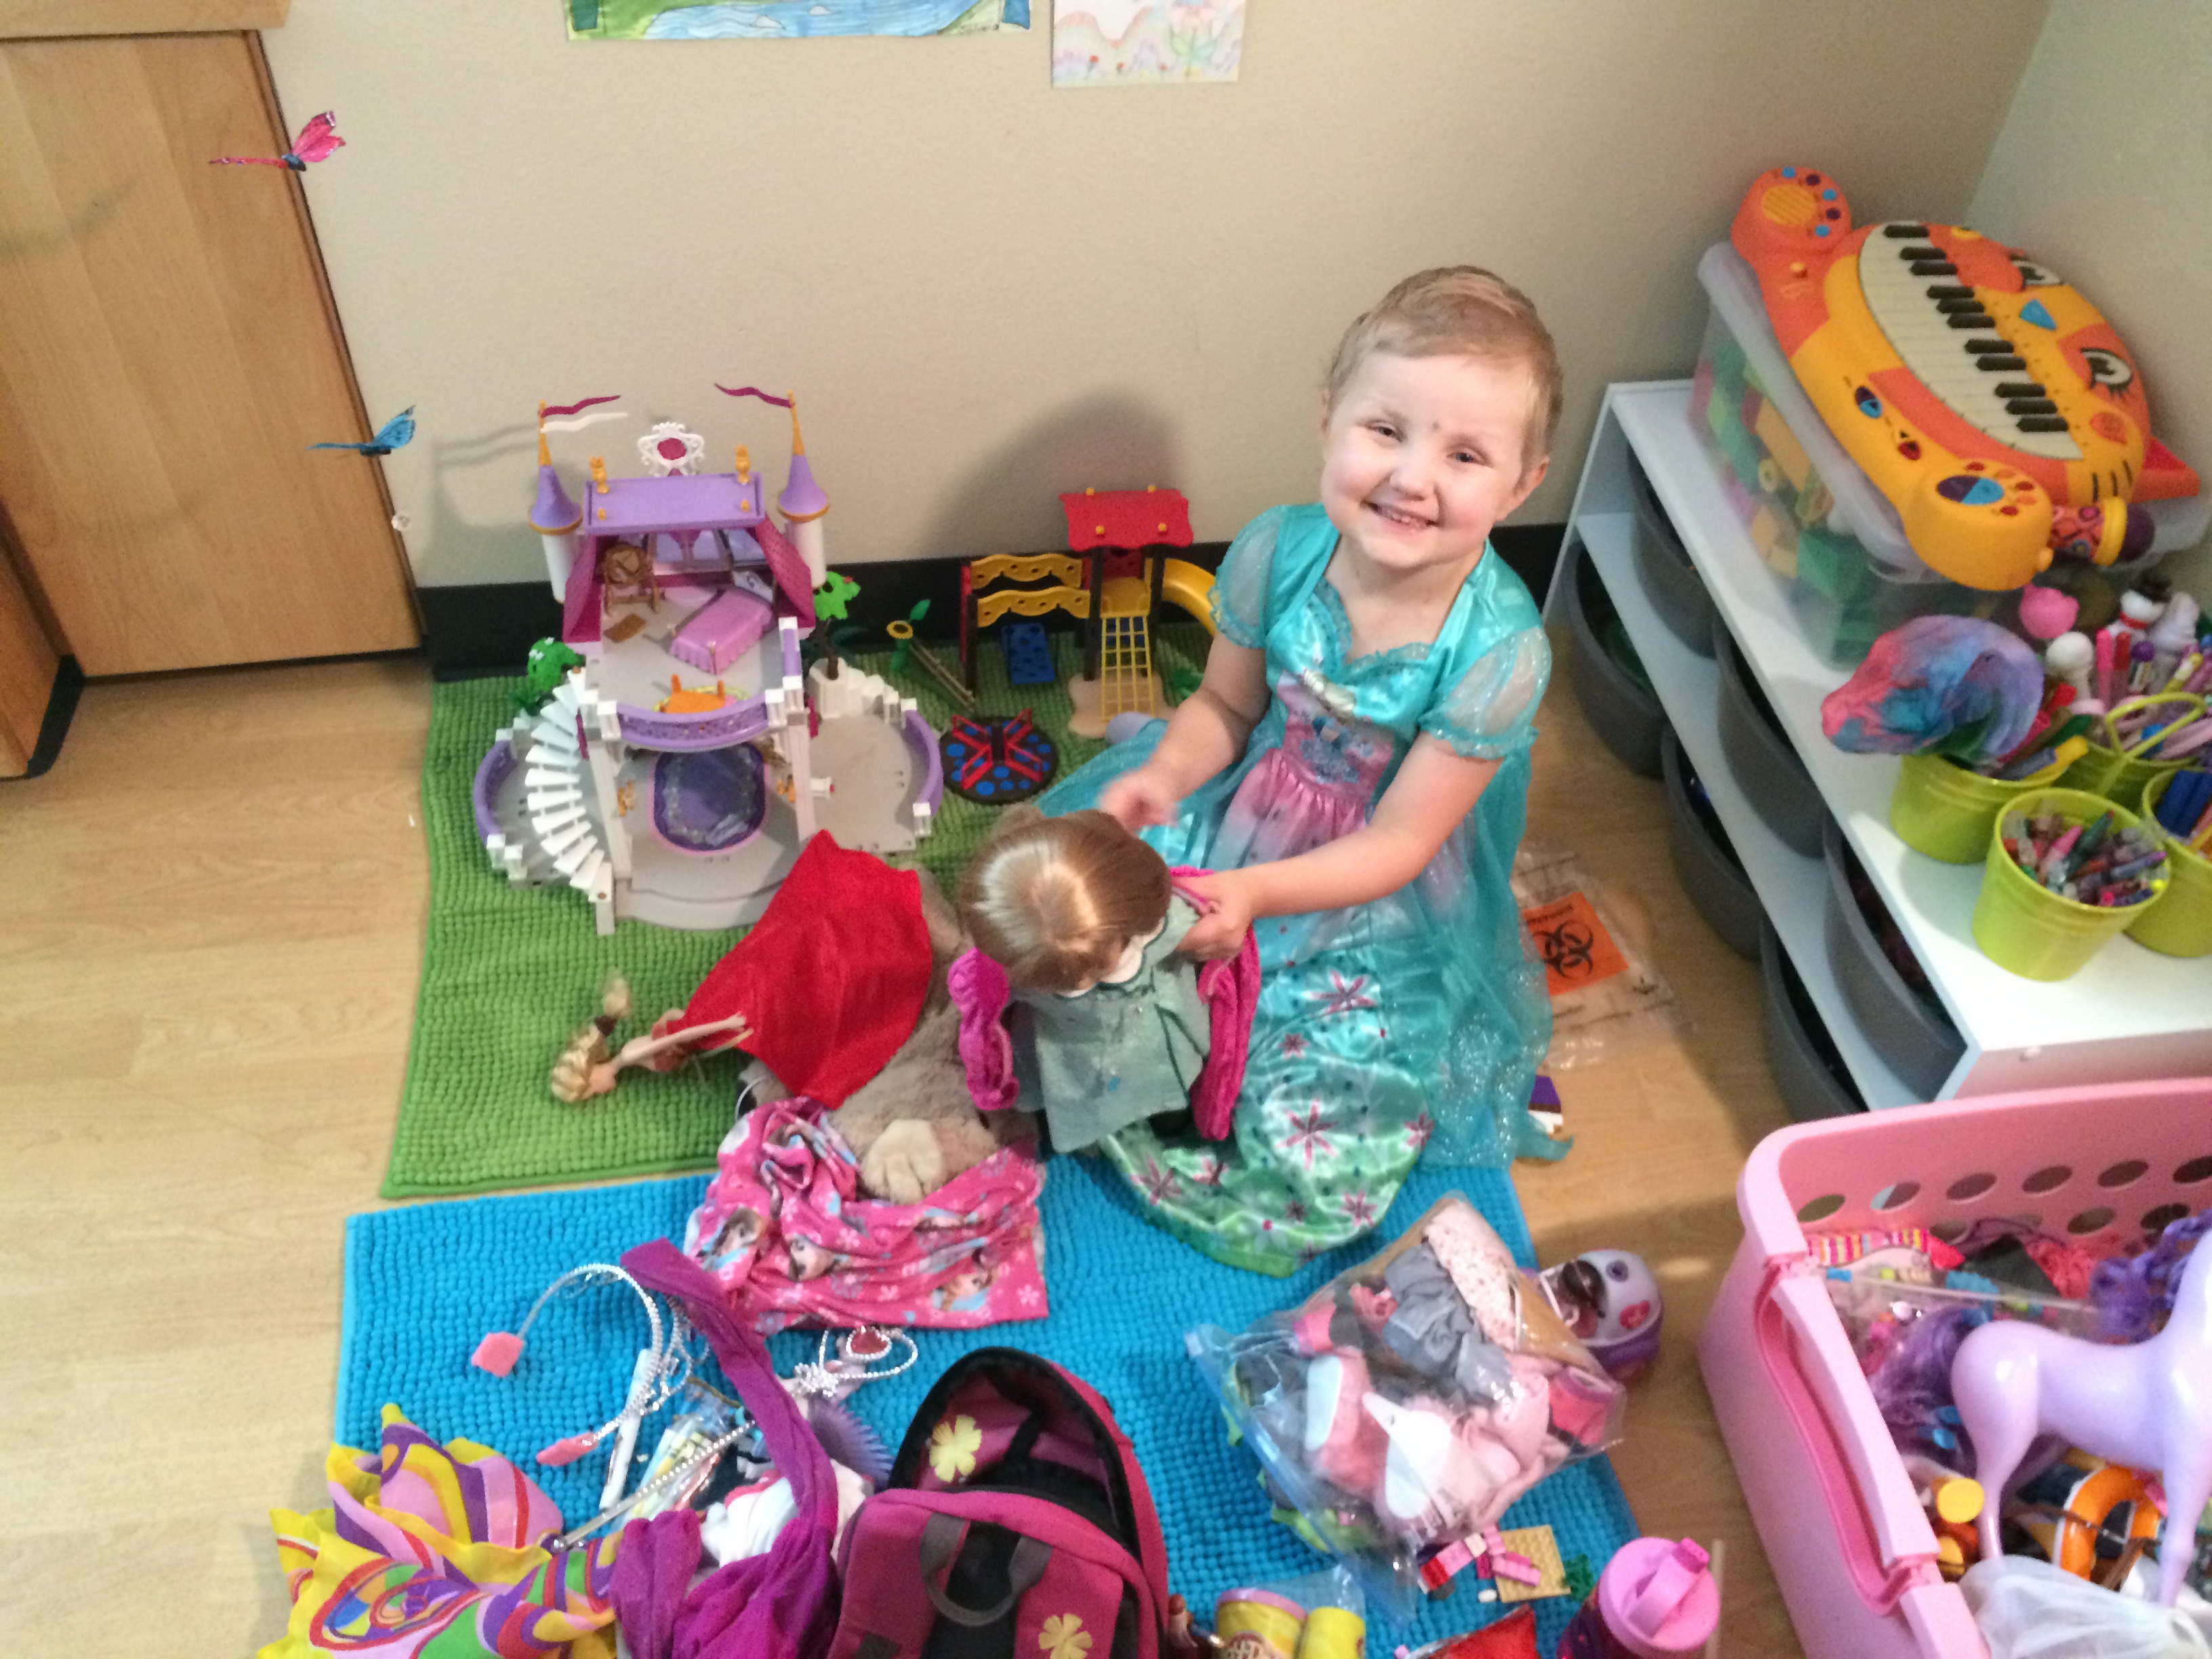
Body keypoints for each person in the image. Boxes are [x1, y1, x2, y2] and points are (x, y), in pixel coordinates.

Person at [1038, 266, 1564, 1273]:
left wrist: (1256, 897)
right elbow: (1226, 709)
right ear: (1328, 422)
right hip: (1245, 808)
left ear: (1522, 484)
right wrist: (1168, 777)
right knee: (1073, 941)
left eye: (1464, 454)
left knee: (1319, 1132)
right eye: (1386, 431)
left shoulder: (1498, 653)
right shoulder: (1278, 549)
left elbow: (1402, 841)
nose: (1413, 478)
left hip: (1372, 890)